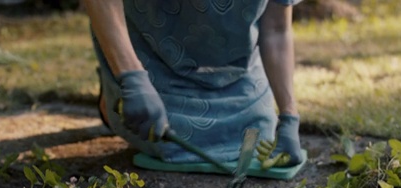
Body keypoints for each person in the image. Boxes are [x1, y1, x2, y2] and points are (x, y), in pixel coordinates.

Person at [83, 0, 305, 175]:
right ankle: (112, 87)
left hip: (236, 70)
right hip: (151, 57)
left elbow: (276, 29)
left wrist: (289, 115)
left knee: (256, 137)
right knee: (158, 133)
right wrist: (131, 78)